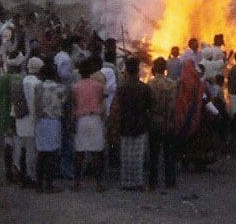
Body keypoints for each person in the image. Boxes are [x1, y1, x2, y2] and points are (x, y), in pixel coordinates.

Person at [115, 57, 152, 189]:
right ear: (137, 71)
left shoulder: (122, 88)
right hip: (140, 125)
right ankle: (137, 182)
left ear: (126, 71)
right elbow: (151, 107)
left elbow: (117, 108)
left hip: (125, 124)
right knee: (138, 155)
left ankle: (126, 182)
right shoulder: (145, 88)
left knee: (126, 154)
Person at [71, 57, 106, 191]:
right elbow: (102, 102)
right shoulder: (98, 86)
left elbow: (74, 105)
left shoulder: (75, 87)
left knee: (80, 153)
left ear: (79, 71)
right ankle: (99, 184)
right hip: (95, 119)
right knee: (96, 152)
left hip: (81, 120)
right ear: (91, 71)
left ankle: (76, 183)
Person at [146, 57, 179, 190]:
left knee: (154, 153)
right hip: (168, 122)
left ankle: (152, 182)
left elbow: (148, 104)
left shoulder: (150, 84)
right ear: (165, 69)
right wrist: (170, 119)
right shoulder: (172, 84)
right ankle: (170, 182)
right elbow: (172, 105)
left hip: (154, 120)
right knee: (169, 153)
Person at [33, 62, 65, 192]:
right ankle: (49, 184)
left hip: (41, 121)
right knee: (52, 153)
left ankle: (39, 183)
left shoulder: (38, 87)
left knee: (41, 153)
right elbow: (63, 104)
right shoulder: (61, 88)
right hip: (54, 121)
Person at [0, 57, 24, 182]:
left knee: (8, 144)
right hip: (16, 115)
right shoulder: (20, 79)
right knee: (18, 146)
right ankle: (16, 171)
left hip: (5, 115)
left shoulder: (1, 79)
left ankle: (8, 170)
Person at [16, 57, 43, 188]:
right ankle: (31, 177)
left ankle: (22, 175)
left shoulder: (21, 80)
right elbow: (35, 105)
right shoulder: (37, 83)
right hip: (32, 122)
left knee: (23, 148)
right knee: (32, 152)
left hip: (20, 120)